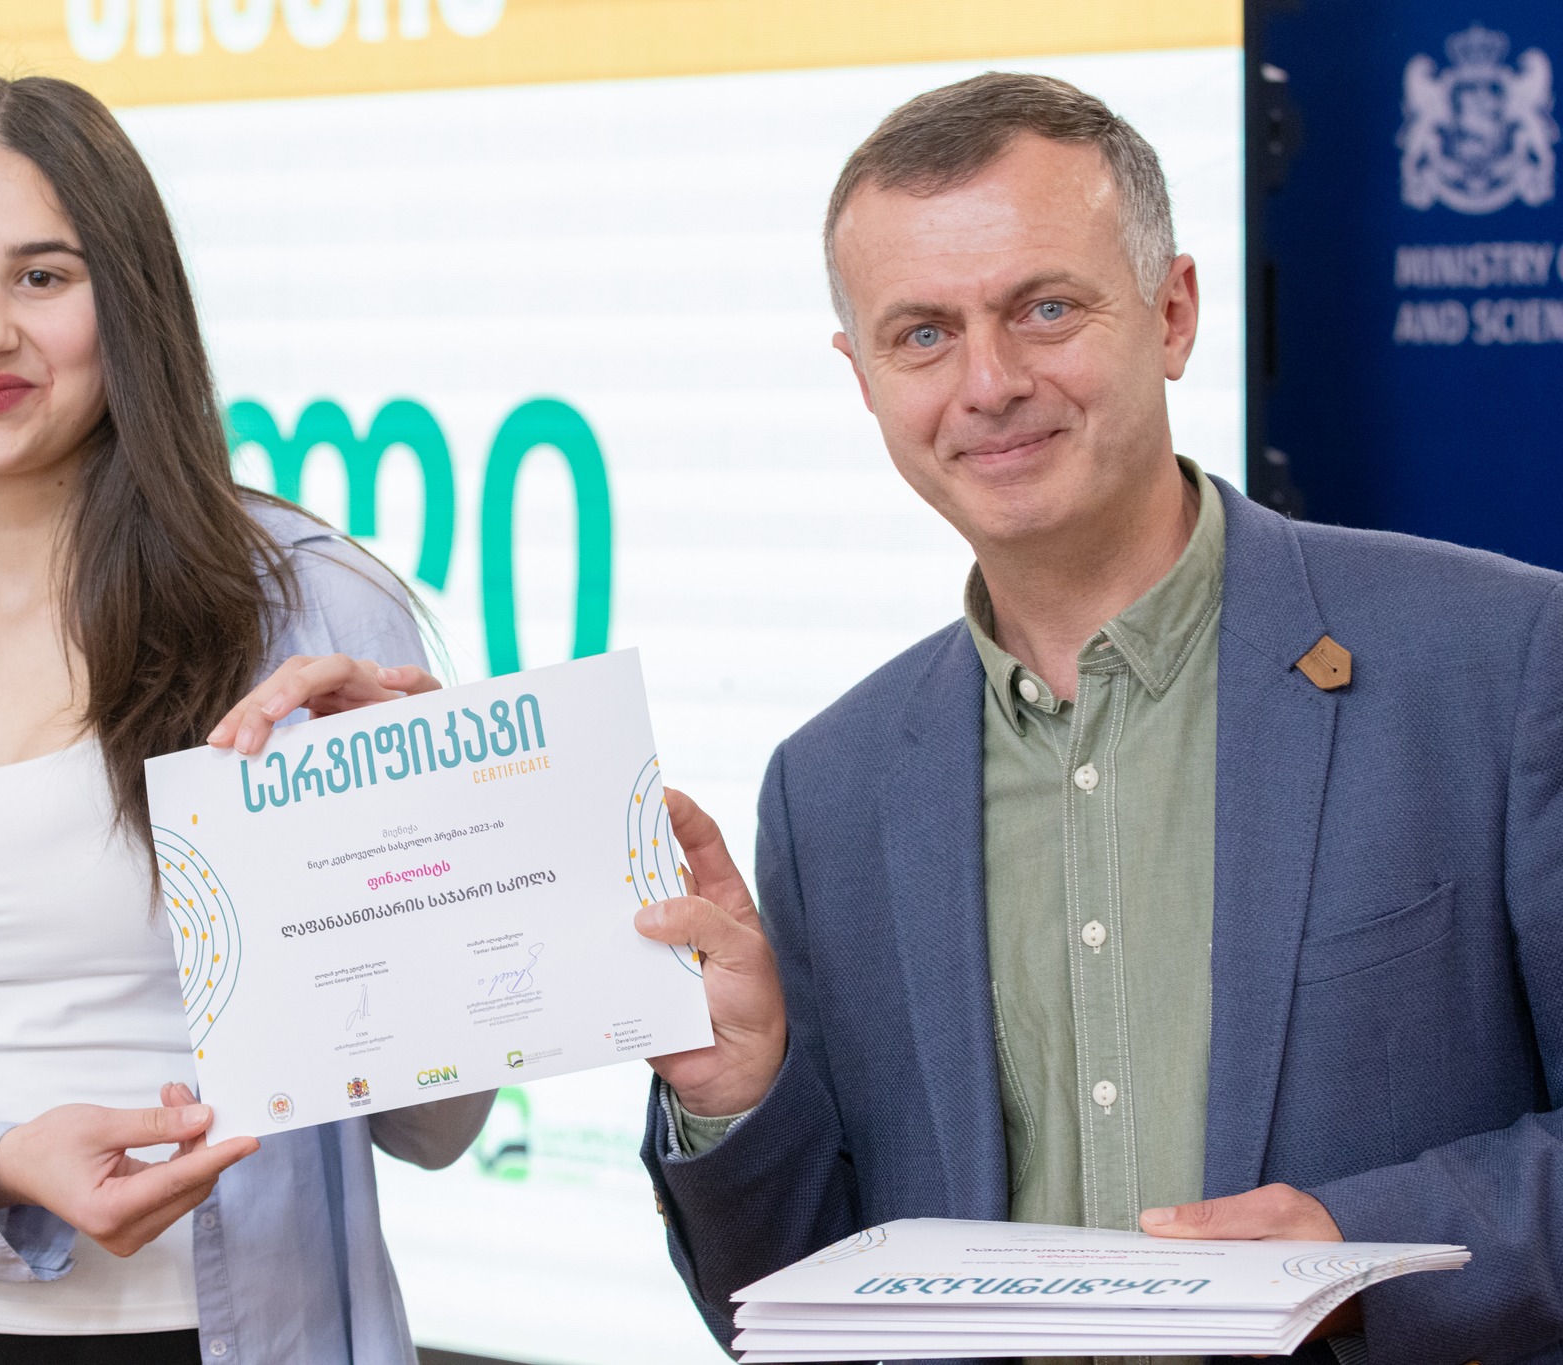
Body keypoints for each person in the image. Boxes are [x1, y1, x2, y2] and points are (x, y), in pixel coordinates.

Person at [629, 72, 1563, 1363]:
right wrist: (740, 1097)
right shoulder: (830, 788)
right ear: (863, 378)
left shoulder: (1501, 662)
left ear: (1172, 313)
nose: (990, 382)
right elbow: (802, 1306)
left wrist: (1360, 1248)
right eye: (923, 335)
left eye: (1046, 309)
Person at [0, 75, 488, 1365]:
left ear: (131, 303)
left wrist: (435, 849)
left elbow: (432, 1123)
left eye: (44, 277)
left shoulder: (303, 608)